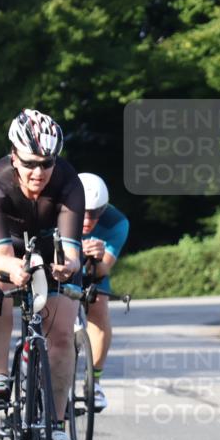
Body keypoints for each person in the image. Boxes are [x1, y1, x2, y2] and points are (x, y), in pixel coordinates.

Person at [0, 109, 84, 440]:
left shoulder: (67, 182)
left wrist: (64, 267)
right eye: (30, 163)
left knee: (62, 333)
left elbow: (71, 253)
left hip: (49, 240)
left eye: (47, 163)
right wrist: (14, 268)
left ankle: (58, 428)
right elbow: (1, 256)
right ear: (14, 155)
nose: (39, 173)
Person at [78, 172, 129, 412]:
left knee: (98, 307)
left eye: (95, 213)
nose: (88, 219)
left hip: (91, 271)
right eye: (83, 212)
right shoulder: (56, 210)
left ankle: (94, 381)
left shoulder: (116, 222)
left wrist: (95, 257)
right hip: (55, 265)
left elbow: (103, 270)